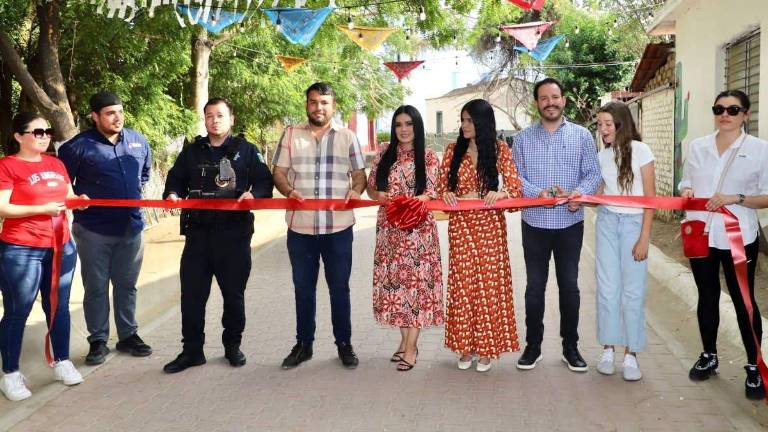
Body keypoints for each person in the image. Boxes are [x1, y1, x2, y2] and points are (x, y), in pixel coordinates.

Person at [161, 98, 273, 373]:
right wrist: (173, 194)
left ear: (231, 119)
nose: (215, 120)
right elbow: (175, 178)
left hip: (233, 236)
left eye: (220, 115)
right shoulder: (192, 151)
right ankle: (192, 351)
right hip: (198, 236)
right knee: (192, 296)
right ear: (205, 120)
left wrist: (254, 194)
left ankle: (232, 346)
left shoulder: (246, 150)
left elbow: (264, 182)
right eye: (209, 116)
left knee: (233, 296)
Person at [679, 89, 768, 400]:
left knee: (745, 301)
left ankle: (754, 365)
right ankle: (709, 356)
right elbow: (685, 181)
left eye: (733, 110)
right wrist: (687, 189)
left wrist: (735, 198)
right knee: (707, 295)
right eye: (719, 109)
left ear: (745, 114)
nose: (724, 115)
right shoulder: (698, 146)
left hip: (739, 236)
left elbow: (767, 196)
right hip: (702, 232)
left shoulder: (760, 150)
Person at [272, 82, 366, 370]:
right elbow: (278, 172)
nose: (318, 107)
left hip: (338, 229)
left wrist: (356, 191)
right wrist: (289, 191)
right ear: (307, 105)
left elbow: (359, 175)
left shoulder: (348, 137)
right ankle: (304, 345)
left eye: (324, 102)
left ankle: (344, 344)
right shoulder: (290, 134)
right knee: (303, 288)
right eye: (313, 102)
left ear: (333, 106)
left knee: (339, 288)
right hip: (300, 229)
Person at [512, 78, 601, 372]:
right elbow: (515, 177)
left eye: (555, 97)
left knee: (570, 287)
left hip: (570, 224)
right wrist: (535, 192)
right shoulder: (523, 139)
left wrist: (579, 194)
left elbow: (592, 174)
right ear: (537, 103)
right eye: (544, 98)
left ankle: (570, 347)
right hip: (535, 223)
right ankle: (533, 346)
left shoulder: (582, 136)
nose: (550, 102)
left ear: (563, 100)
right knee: (535, 288)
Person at [58, 91, 153, 365]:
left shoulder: (137, 140)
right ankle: (98, 340)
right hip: (94, 231)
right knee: (96, 287)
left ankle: (128, 336)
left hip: (131, 228)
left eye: (120, 112)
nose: (117, 118)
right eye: (110, 113)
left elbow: (143, 175)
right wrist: (76, 199)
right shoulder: (77, 147)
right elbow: (64, 184)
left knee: (127, 284)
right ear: (95, 116)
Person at [0, 113, 87, 401]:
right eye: (37, 131)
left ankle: (61, 361)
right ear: (18, 136)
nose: (44, 135)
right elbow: (3, 209)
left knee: (58, 307)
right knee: (18, 311)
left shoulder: (56, 163)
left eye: (47, 131)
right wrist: (42, 210)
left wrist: (79, 201)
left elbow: (68, 197)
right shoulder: (8, 166)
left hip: (61, 246)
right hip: (21, 250)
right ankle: (10, 374)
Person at [436, 98, 522, 372]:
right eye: (462, 120)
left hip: (490, 228)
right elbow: (440, 188)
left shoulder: (499, 150)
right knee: (463, 286)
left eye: (469, 120)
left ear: (482, 122)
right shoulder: (452, 150)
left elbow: (516, 191)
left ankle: (486, 349)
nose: (464, 125)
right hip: (461, 227)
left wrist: (501, 193)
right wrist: (449, 194)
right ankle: (465, 348)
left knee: (487, 287)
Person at [367, 105, 444, 372]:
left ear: (417, 126)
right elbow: (371, 188)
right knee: (396, 289)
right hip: (389, 233)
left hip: (418, 234)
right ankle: (404, 342)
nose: (403, 129)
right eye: (398, 124)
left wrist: (410, 203)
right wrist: (379, 196)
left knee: (417, 290)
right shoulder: (383, 153)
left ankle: (411, 349)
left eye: (409, 123)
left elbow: (433, 193)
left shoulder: (429, 156)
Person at [594, 102, 655, 381]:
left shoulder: (642, 152)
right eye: (600, 124)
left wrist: (644, 238)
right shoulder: (603, 156)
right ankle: (608, 349)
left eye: (608, 124)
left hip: (633, 225)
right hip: (607, 222)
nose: (603, 129)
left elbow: (650, 199)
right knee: (607, 289)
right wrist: (574, 197)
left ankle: (631, 354)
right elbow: (599, 192)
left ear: (621, 124)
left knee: (633, 291)